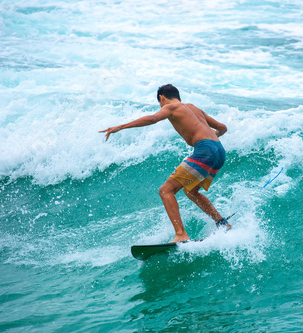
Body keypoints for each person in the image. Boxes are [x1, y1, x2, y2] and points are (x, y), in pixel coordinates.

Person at [99, 84, 231, 242]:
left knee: (166, 191)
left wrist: (120, 127)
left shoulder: (171, 107)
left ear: (161, 98)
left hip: (204, 150)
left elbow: (152, 118)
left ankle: (181, 234)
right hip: (219, 150)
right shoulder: (193, 108)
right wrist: (213, 136)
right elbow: (223, 128)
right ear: (179, 97)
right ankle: (222, 223)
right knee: (191, 192)